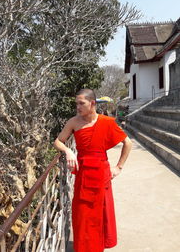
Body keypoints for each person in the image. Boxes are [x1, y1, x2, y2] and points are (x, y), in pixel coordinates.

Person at [54, 89, 132, 252]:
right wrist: (68, 151)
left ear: (93, 103)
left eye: (81, 103)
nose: (78, 107)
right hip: (83, 174)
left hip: (101, 174)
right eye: (76, 103)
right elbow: (58, 141)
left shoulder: (107, 122)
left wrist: (118, 167)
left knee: (99, 215)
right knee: (82, 215)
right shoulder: (73, 122)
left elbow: (128, 143)